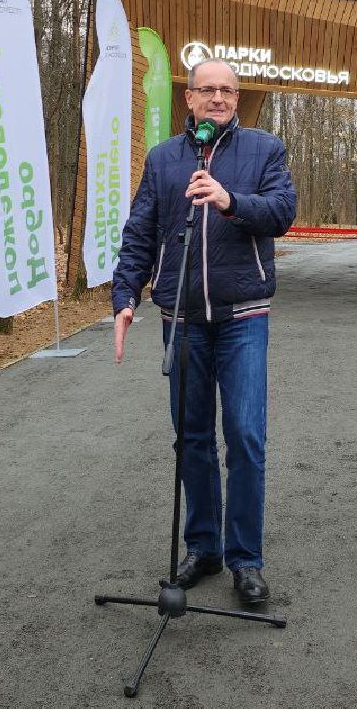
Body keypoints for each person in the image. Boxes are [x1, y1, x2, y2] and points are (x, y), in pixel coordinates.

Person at [112, 58, 297, 605]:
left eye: (228, 91)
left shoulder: (264, 150)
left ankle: (246, 560)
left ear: (236, 100)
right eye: (207, 90)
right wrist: (125, 295)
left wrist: (230, 201)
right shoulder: (165, 159)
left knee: (243, 436)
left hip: (244, 319)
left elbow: (283, 210)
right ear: (188, 99)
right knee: (191, 439)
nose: (218, 99)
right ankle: (204, 547)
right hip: (183, 322)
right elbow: (141, 232)